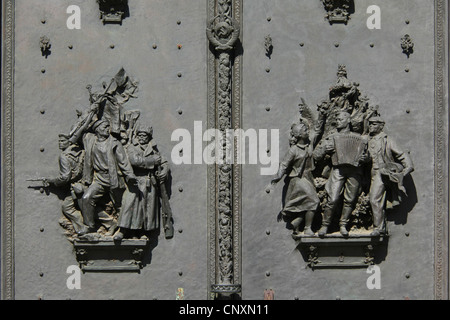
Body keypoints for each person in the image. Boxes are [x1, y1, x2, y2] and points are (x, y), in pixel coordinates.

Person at [313, 111, 369, 236]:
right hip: (338, 169)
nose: (337, 122)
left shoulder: (359, 138)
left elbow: (367, 156)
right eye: (337, 120)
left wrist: (366, 158)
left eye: (340, 119)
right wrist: (325, 150)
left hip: (355, 170)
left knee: (350, 199)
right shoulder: (331, 137)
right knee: (332, 198)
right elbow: (316, 156)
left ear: (348, 121)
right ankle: (325, 226)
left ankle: (343, 225)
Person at [80, 119, 137, 233]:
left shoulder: (115, 143)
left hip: (113, 178)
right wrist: (91, 112)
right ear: (97, 130)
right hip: (99, 179)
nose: (107, 129)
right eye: (104, 127)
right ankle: (90, 226)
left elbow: (123, 162)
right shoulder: (90, 140)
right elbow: (79, 131)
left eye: (108, 127)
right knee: (86, 198)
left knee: (120, 205)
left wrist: (130, 175)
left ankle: (124, 230)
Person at [116, 124, 170, 240]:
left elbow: (162, 161)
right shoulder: (132, 147)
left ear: (148, 137)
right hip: (135, 181)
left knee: (147, 208)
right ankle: (123, 230)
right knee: (130, 205)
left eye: (144, 135)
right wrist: (152, 161)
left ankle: (143, 232)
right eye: (139, 135)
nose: (142, 137)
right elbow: (134, 161)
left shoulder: (152, 148)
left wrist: (164, 170)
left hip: (149, 183)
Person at [367, 117, 414, 236]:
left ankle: (378, 228)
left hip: (382, 173)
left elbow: (401, 154)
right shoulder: (367, 139)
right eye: (370, 123)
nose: (370, 125)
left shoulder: (387, 140)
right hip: (369, 173)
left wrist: (408, 167)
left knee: (374, 199)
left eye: (374, 124)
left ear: (381, 126)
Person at [272, 123, 320, 238]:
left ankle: (297, 222)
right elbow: (284, 164)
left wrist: (323, 115)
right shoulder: (293, 150)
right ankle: (308, 228)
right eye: (304, 130)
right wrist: (277, 177)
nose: (307, 131)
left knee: (305, 203)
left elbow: (317, 131)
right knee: (314, 201)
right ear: (298, 134)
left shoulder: (309, 145)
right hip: (298, 180)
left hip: (308, 178)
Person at [45, 134, 88, 235]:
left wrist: (51, 181)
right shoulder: (82, 152)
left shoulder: (64, 156)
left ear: (69, 142)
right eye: (59, 141)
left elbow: (65, 177)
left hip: (75, 187)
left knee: (67, 207)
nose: (60, 144)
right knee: (86, 206)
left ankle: (83, 227)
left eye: (63, 141)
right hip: (86, 184)